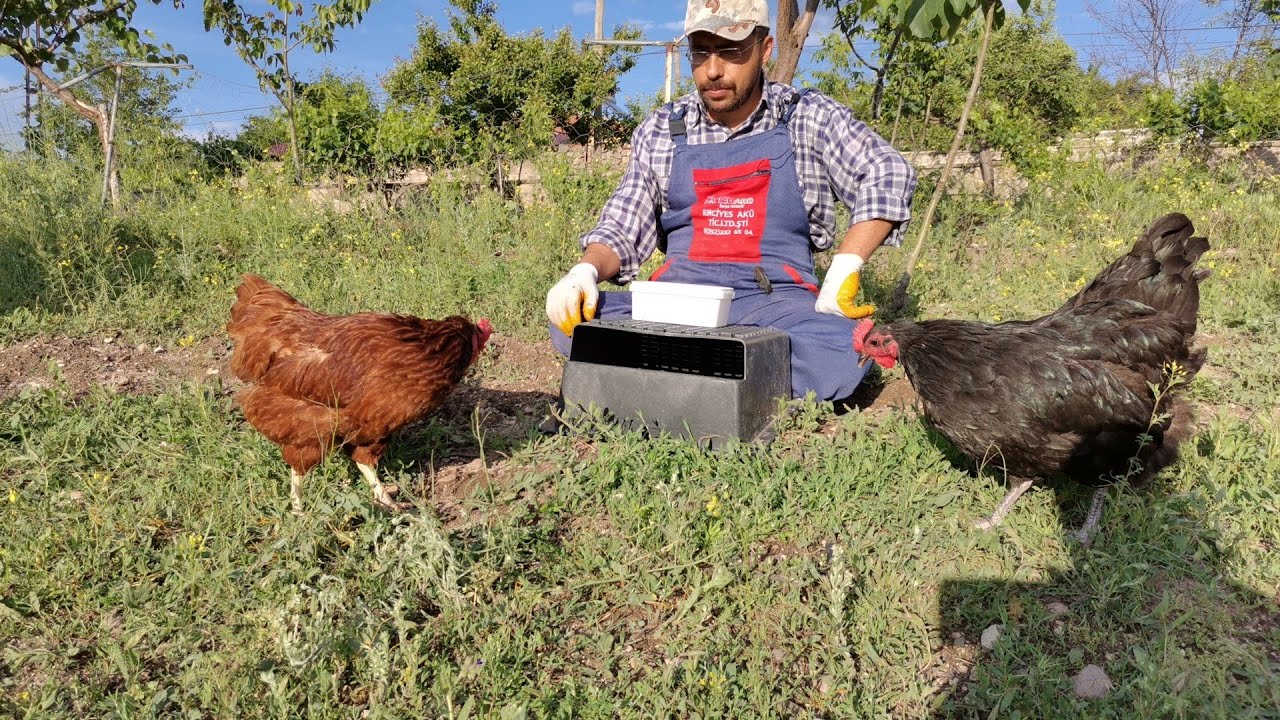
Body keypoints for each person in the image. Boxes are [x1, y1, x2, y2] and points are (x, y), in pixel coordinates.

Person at [545, 0, 916, 403]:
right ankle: (736, 378)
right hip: (680, 306)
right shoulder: (663, 129)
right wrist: (583, 272)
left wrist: (846, 266)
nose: (714, 69)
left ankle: (672, 377)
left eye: (732, 50)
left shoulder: (806, 116)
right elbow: (623, 224)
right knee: (576, 323)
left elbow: (888, 172)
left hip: (774, 307)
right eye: (701, 52)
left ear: (765, 47)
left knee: (842, 348)